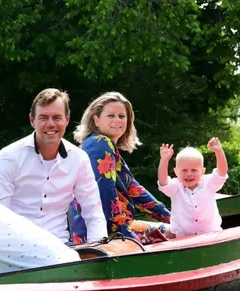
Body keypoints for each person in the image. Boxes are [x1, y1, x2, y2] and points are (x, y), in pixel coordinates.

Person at [0, 88, 107, 243]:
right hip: (17, 246)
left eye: (57, 117)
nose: (51, 124)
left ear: (67, 119)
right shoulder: (8, 157)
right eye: (44, 118)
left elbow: (93, 212)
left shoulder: (79, 159)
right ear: (32, 120)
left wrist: (98, 249)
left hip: (61, 246)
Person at [68, 92, 171, 245]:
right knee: (176, 231)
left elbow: (135, 190)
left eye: (122, 116)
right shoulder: (100, 143)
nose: (117, 120)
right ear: (96, 119)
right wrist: (123, 231)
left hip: (96, 231)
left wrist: (171, 216)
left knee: (175, 226)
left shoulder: (96, 144)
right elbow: (103, 191)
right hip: (104, 233)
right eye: (111, 115)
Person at [157, 138, 229, 238]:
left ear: (202, 172)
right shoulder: (175, 187)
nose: (189, 174)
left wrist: (219, 151)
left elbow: (222, 173)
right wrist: (164, 160)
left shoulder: (209, 183)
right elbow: (163, 182)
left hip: (211, 235)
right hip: (182, 239)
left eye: (194, 170)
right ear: (176, 172)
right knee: (166, 235)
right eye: (184, 170)